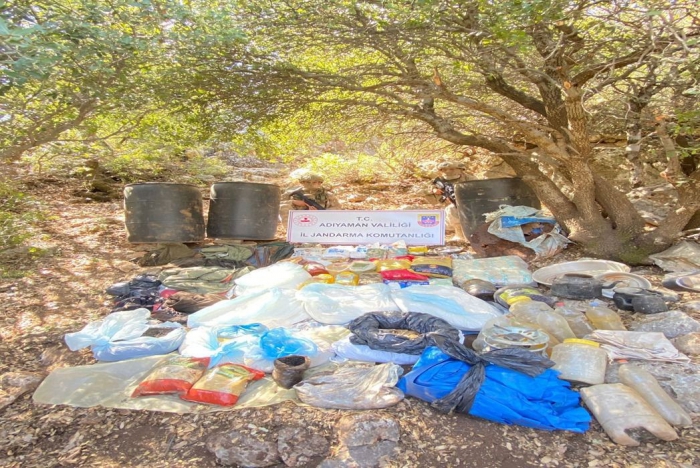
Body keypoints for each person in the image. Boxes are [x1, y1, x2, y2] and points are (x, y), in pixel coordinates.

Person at [431, 161, 476, 242]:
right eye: (444, 170)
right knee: (452, 209)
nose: (448, 171)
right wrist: (434, 190)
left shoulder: (469, 178)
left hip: (470, 202)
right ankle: (459, 234)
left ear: (461, 170)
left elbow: (479, 188)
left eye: (452, 169)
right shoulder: (440, 180)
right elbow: (430, 188)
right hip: (452, 204)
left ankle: (470, 235)